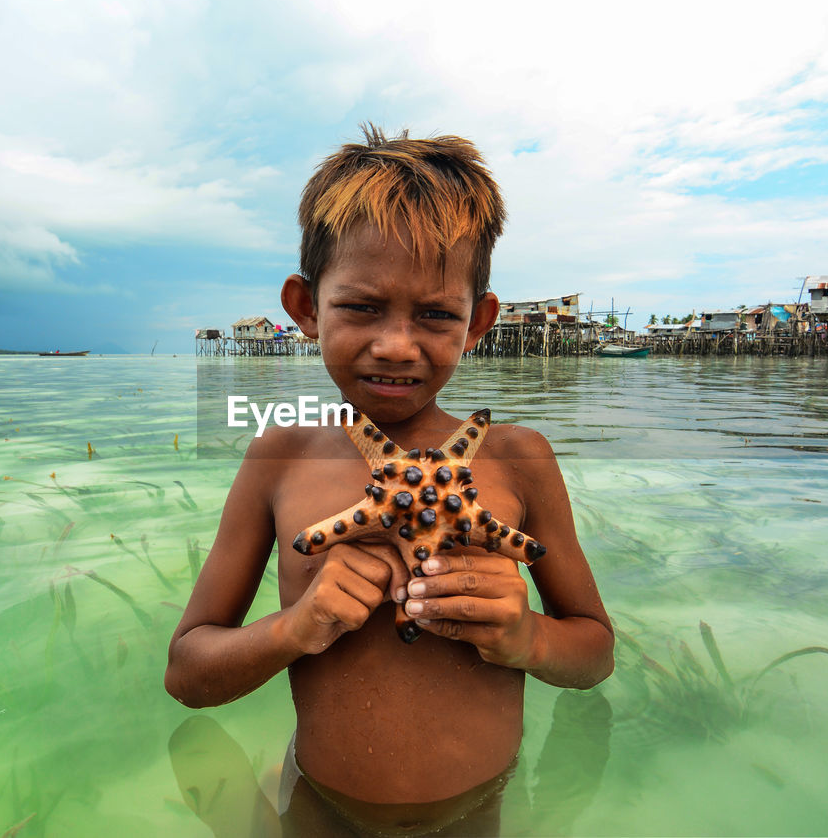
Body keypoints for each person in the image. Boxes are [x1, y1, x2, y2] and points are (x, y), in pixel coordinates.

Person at [164, 124, 614, 836]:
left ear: (479, 321)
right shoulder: (277, 458)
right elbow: (187, 671)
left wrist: (527, 637)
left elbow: (594, 651)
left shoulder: (520, 457)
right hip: (317, 806)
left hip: (479, 811)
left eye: (436, 314)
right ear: (307, 307)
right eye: (362, 306)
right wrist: (294, 628)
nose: (397, 344)